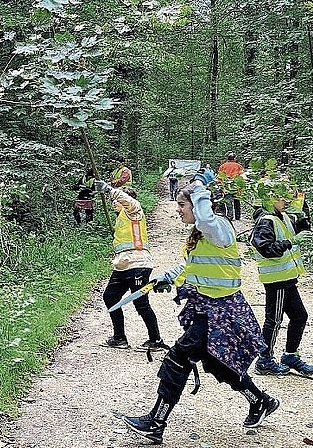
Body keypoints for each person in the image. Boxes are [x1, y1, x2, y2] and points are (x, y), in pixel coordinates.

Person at [120, 170, 278, 445]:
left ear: (198, 204)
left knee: (178, 357)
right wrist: (167, 277)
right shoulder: (202, 235)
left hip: (223, 312)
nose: (177, 210)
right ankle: (260, 401)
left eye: (182, 205)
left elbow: (205, 217)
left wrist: (200, 185)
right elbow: (191, 265)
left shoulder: (219, 228)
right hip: (208, 308)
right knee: (218, 362)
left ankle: (156, 423)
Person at [250, 182, 313, 376]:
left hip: (288, 278)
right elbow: (266, 249)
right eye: (282, 197)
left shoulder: (283, 216)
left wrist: (302, 208)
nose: (286, 201)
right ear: (270, 198)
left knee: (300, 316)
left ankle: (290, 356)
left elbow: (304, 228)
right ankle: (264, 360)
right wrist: (290, 242)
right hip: (276, 279)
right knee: (274, 320)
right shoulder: (265, 220)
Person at [95, 179, 165, 351]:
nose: (114, 202)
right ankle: (119, 338)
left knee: (141, 303)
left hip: (138, 263)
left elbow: (129, 201)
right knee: (110, 297)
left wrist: (108, 189)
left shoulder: (134, 211)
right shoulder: (122, 218)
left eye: (117, 199)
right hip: (122, 265)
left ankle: (155, 340)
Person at [217, 153, 244, 220]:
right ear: (234, 158)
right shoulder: (239, 166)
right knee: (237, 202)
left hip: (226, 187)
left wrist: (222, 187)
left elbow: (219, 177)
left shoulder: (222, 166)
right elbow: (242, 177)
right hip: (236, 187)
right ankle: (238, 217)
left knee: (229, 202)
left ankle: (230, 216)